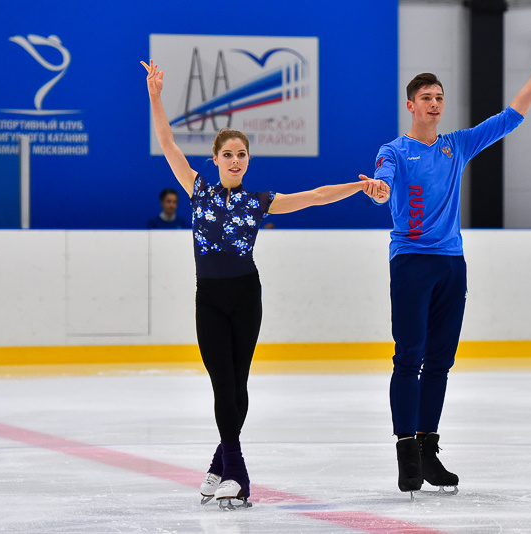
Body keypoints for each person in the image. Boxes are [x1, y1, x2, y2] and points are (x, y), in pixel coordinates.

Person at [141, 60, 388, 510]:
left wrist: (359, 187)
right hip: (210, 300)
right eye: (228, 154)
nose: (235, 161)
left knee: (239, 385)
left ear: (248, 161)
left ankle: (223, 464)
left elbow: (313, 197)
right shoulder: (197, 190)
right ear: (215, 160)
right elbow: (166, 141)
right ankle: (235, 469)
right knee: (222, 385)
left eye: (242, 155)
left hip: (245, 296)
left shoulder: (260, 202)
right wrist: (156, 96)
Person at [362, 25, 531, 497]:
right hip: (411, 262)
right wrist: (379, 191)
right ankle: (405, 449)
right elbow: (383, 181)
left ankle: (429, 448)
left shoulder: (457, 145)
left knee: (439, 361)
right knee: (408, 356)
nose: (435, 103)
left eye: (439, 96)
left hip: (452, 265)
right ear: (410, 105)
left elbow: (512, 116)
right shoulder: (394, 150)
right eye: (426, 97)